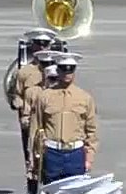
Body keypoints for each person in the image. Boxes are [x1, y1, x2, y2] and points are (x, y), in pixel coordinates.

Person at [28, 53, 98, 186]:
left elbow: (91, 131)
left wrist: (89, 158)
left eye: (70, 70)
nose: (67, 73)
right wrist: (33, 157)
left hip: (75, 153)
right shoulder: (45, 97)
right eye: (63, 69)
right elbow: (35, 129)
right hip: (52, 152)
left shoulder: (84, 98)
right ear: (58, 70)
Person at [11, 29, 57, 194]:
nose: (42, 47)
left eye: (45, 44)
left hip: (53, 123)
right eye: (38, 44)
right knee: (32, 159)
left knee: (52, 162)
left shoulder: (58, 71)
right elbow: (15, 94)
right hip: (31, 122)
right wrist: (21, 106)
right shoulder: (24, 72)